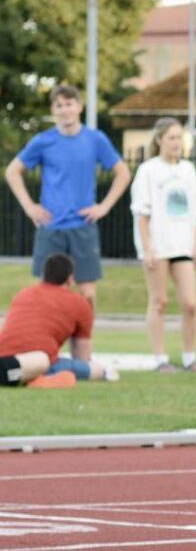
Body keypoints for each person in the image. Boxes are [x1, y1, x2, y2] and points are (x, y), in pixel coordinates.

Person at [5, 84, 130, 308]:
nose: (64, 110)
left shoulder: (95, 139)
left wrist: (104, 206)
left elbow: (123, 172)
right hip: (51, 226)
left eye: (69, 104)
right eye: (59, 105)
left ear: (79, 107)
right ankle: (48, 343)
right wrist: (29, 206)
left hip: (83, 225)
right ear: (53, 110)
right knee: (47, 295)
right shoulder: (43, 141)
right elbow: (12, 171)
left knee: (87, 295)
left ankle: (83, 342)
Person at [129, 117, 196, 371]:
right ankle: (160, 358)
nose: (176, 143)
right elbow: (141, 212)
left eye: (179, 137)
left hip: (182, 245)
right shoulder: (148, 171)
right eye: (171, 137)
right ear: (160, 140)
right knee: (159, 301)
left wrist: (194, 246)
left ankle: (189, 356)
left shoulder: (188, 170)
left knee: (190, 304)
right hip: (158, 246)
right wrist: (147, 247)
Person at [0, 253, 97, 388]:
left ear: (43, 275)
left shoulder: (24, 294)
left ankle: (31, 377)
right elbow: (82, 356)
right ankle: (36, 378)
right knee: (96, 370)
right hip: (39, 360)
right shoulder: (79, 303)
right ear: (69, 279)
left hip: (5, 354)